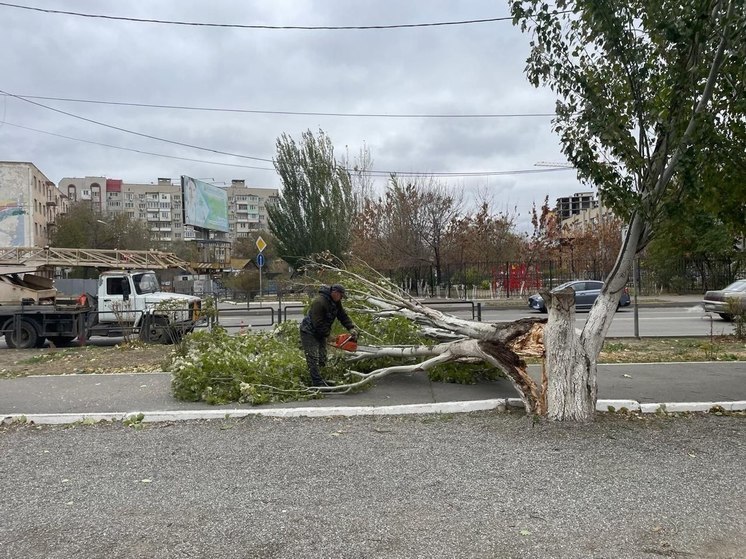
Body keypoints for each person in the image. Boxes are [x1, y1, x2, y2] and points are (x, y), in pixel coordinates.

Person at [299, 284, 359, 387]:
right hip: (309, 332)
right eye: (340, 296)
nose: (341, 298)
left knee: (322, 357)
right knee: (313, 357)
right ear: (335, 293)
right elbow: (317, 323)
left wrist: (351, 327)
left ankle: (322, 377)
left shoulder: (336, 302)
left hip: (321, 332)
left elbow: (342, 315)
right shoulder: (319, 302)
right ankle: (317, 384)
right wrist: (329, 335)